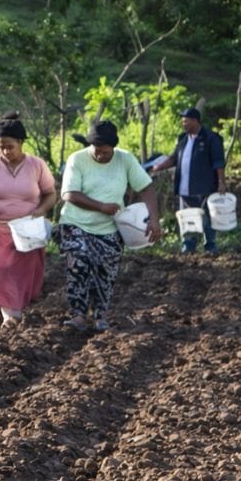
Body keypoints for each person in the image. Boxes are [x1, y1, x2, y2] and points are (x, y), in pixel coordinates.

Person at [58, 120, 162, 332]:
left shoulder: (125, 160)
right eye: (96, 151)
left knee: (105, 272)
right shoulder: (77, 159)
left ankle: (99, 316)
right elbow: (69, 194)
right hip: (76, 223)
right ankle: (78, 315)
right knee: (79, 263)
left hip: (110, 227)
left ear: (113, 148)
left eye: (105, 152)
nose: (100, 156)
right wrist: (100, 206)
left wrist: (154, 219)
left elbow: (146, 188)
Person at [0, 117, 57, 327]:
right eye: (1, 148)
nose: (6, 152)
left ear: (21, 143)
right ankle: (9, 315)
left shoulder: (36, 165)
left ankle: (15, 310)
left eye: (10, 147)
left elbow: (50, 194)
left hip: (27, 228)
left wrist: (41, 210)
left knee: (22, 273)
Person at [147, 107, 227, 254]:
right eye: (182, 121)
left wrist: (221, 182)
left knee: (207, 217)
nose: (183, 124)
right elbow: (173, 159)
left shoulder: (211, 138)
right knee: (187, 216)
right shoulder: (183, 139)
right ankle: (188, 245)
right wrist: (157, 167)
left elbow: (218, 162)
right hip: (184, 187)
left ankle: (210, 245)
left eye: (186, 121)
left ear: (195, 121)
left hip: (205, 186)